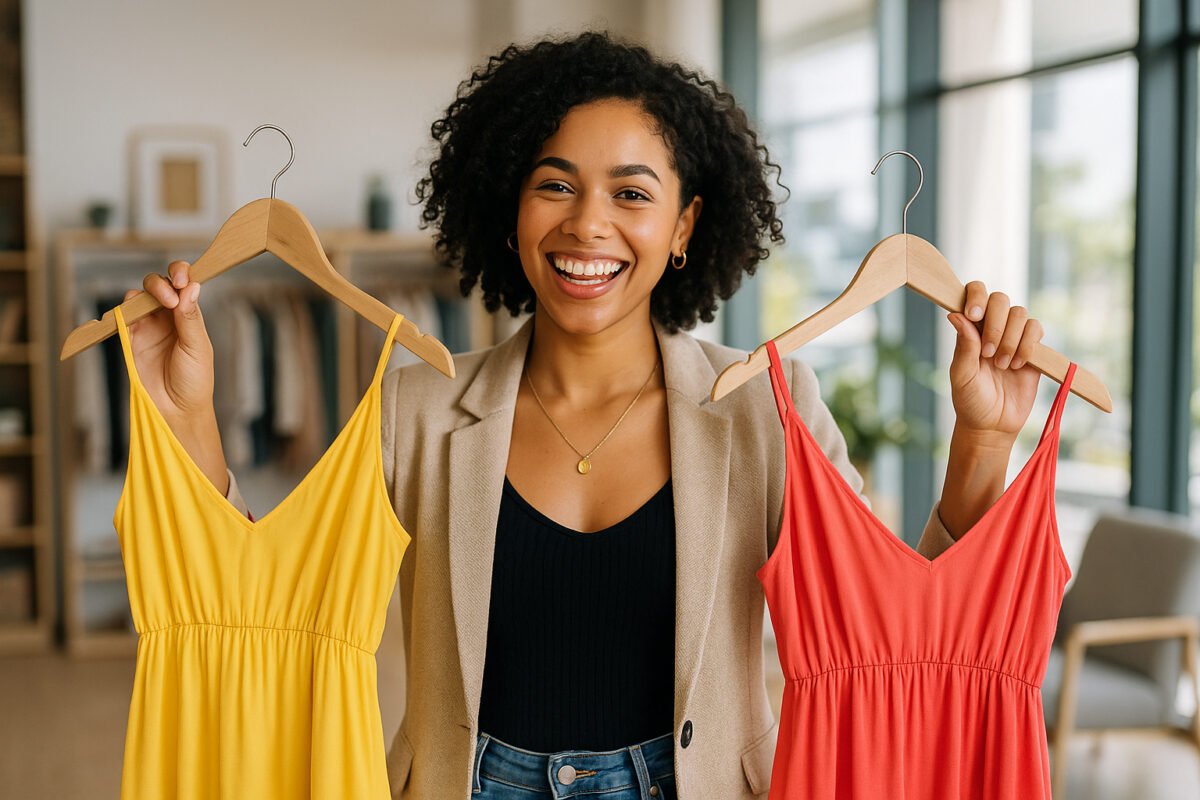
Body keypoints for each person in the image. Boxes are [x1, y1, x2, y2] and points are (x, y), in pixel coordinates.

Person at [129, 31, 1045, 800]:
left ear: (685, 226)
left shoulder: (769, 407)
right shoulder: (415, 406)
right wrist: (190, 418)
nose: (587, 225)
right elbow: (257, 604)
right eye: (555, 184)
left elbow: (905, 636)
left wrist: (985, 442)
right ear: (511, 206)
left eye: (632, 193)